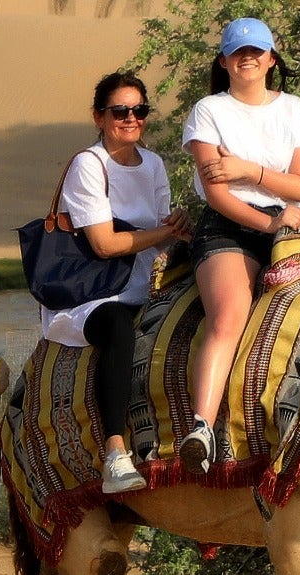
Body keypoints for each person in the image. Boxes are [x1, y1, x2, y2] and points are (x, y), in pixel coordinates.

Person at [40, 70, 189, 498]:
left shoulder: (155, 164)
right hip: (93, 294)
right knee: (120, 329)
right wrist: (163, 233)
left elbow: (162, 235)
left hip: (143, 284)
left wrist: (179, 229)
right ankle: (115, 453)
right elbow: (104, 244)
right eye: (119, 111)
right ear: (99, 116)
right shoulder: (89, 165)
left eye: (139, 111)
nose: (130, 119)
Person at [177, 17, 300, 473]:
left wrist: (248, 171)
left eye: (257, 51)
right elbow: (217, 191)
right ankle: (201, 428)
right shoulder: (208, 112)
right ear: (224, 61)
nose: (248, 58)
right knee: (231, 313)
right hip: (229, 226)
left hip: (289, 223)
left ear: (272, 58)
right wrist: (269, 221)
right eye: (239, 52)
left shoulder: (292, 108)